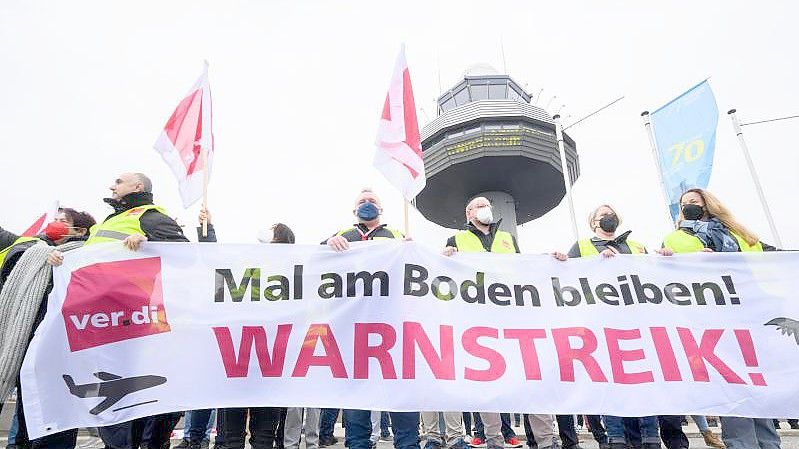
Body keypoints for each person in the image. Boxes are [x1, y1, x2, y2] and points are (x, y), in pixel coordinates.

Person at [48, 173, 189, 449]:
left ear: (137, 187)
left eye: (118, 181)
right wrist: (61, 257)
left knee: (138, 402)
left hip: (134, 323)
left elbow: (185, 256)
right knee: (115, 412)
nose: (112, 186)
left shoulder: (151, 217)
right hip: (101, 323)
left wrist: (149, 241)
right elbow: (87, 260)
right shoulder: (108, 222)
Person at [661, 188, 780, 449]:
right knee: (730, 382)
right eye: (684, 204)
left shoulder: (739, 233)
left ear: (707, 203)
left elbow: (769, 260)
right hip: (713, 320)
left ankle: (769, 443)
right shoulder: (675, 238)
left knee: (757, 382)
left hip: (750, 313)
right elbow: (669, 280)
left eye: (694, 201)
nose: (688, 206)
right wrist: (672, 260)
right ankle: (741, 443)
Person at [443, 196, 556, 449]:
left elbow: (523, 268)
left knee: (531, 378)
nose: (486, 209)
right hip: (479, 319)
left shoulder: (507, 238)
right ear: (469, 213)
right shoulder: (457, 240)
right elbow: (446, 276)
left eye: (488, 206)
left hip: (513, 316)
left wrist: (549, 261)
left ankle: (546, 441)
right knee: (488, 384)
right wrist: (444, 257)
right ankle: (494, 440)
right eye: (481, 206)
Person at [323, 188, 419, 449]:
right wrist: (327, 246)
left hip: (393, 327)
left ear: (382, 209)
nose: (367, 204)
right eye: (362, 201)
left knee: (401, 392)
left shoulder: (396, 235)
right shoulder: (342, 235)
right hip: (354, 331)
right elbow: (315, 264)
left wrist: (414, 251)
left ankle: (408, 444)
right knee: (357, 401)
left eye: (372, 201)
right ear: (354, 210)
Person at [565, 204, 664, 449]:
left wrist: (664, 259)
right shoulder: (582, 247)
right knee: (610, 380)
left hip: (637, 322)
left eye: (610, 214)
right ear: (593, 223)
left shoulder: (637, 246)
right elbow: (568, 276)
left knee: (644, 379)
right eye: (602, 216)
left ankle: (650, 436)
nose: (608, 218)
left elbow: (654, 274)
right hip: (603, 323)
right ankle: (615, 436)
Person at [1, 207, 97, 449]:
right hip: (26, 342)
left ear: (80, 230)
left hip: (61, 349)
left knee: (57, 410)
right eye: (55, 219)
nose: (55, 223)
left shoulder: (88, 255)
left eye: (63, 221)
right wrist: (44, 256)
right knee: (28, 406)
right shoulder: (34, 250)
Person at [216, 220, 291, 449]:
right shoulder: (241, 266)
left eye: (272, 228)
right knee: (232, 435)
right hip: (238, 357)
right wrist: (206, 231)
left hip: (271, 361)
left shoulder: (293, 271)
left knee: (264, 435)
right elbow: (208, 266)